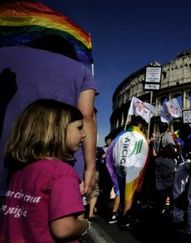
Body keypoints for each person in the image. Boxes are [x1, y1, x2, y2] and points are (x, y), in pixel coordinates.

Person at [0, 34, 98, 200]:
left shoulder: (4, 54)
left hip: (6, 155)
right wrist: (91, 167)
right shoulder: (81, 71)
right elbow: (87, 116)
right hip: (62, 165)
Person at [0, 99, 91, 242]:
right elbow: (64, 229)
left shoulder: (20, 170)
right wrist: (84, 225)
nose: (84, 135)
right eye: (79, 128)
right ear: (57, 129)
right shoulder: (63, 173)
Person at [105, 116, 150, 229]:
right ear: (139, 125)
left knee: (119, 190)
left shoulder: (121, 134)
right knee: (129, 193)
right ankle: (125, 218)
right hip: (132, 167)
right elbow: (143, 153)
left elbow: (111, 149)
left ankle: (113, 214)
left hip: (118, 165)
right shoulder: (140, 136)